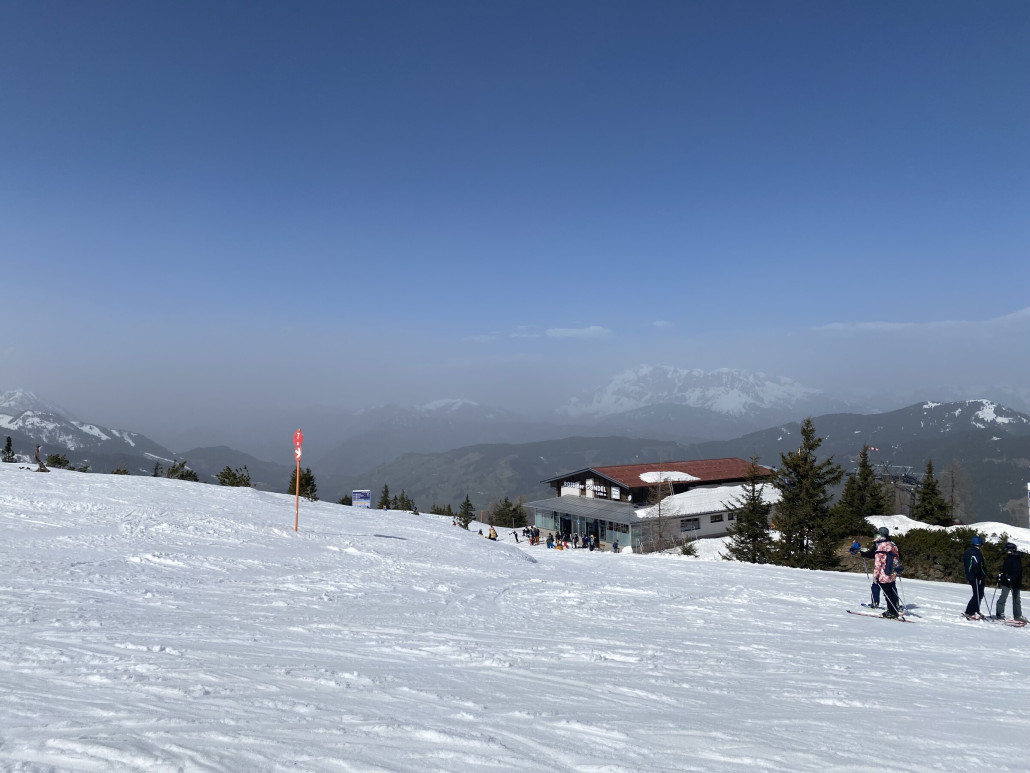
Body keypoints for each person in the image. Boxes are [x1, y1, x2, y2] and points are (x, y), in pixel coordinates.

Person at [860, 527, 902, 618]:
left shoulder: (880, 547)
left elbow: (878, 564)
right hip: (892, 572)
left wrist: (875, 577)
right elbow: (898, 557)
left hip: (883, 574)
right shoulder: (892, 544)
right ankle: (895, 608)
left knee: (887, 593)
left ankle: (891, 611)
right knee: (891, 591)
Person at [996, 542, 1024, 621]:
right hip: (1006, 582)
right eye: (1007, 550)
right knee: (1003, 597)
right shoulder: (1008, 558)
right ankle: (999, 613)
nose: (1007, 552)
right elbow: (1005, 569)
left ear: (1012, 550)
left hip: (1015, 582)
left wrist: (1012, 577)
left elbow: (1017, 571)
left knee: (1016, 599)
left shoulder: (1016, 558)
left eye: (1009, 550)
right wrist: (1001, 575)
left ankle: (1018, 615)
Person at [963, 535, 987, 619]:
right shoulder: (976, 552)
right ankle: (970, 612)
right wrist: (981, 574)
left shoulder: (968, 551)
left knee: (978, 594)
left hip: (971, 575)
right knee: (977, 594)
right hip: (976, 576)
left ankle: (975, 610)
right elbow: (978, 564)